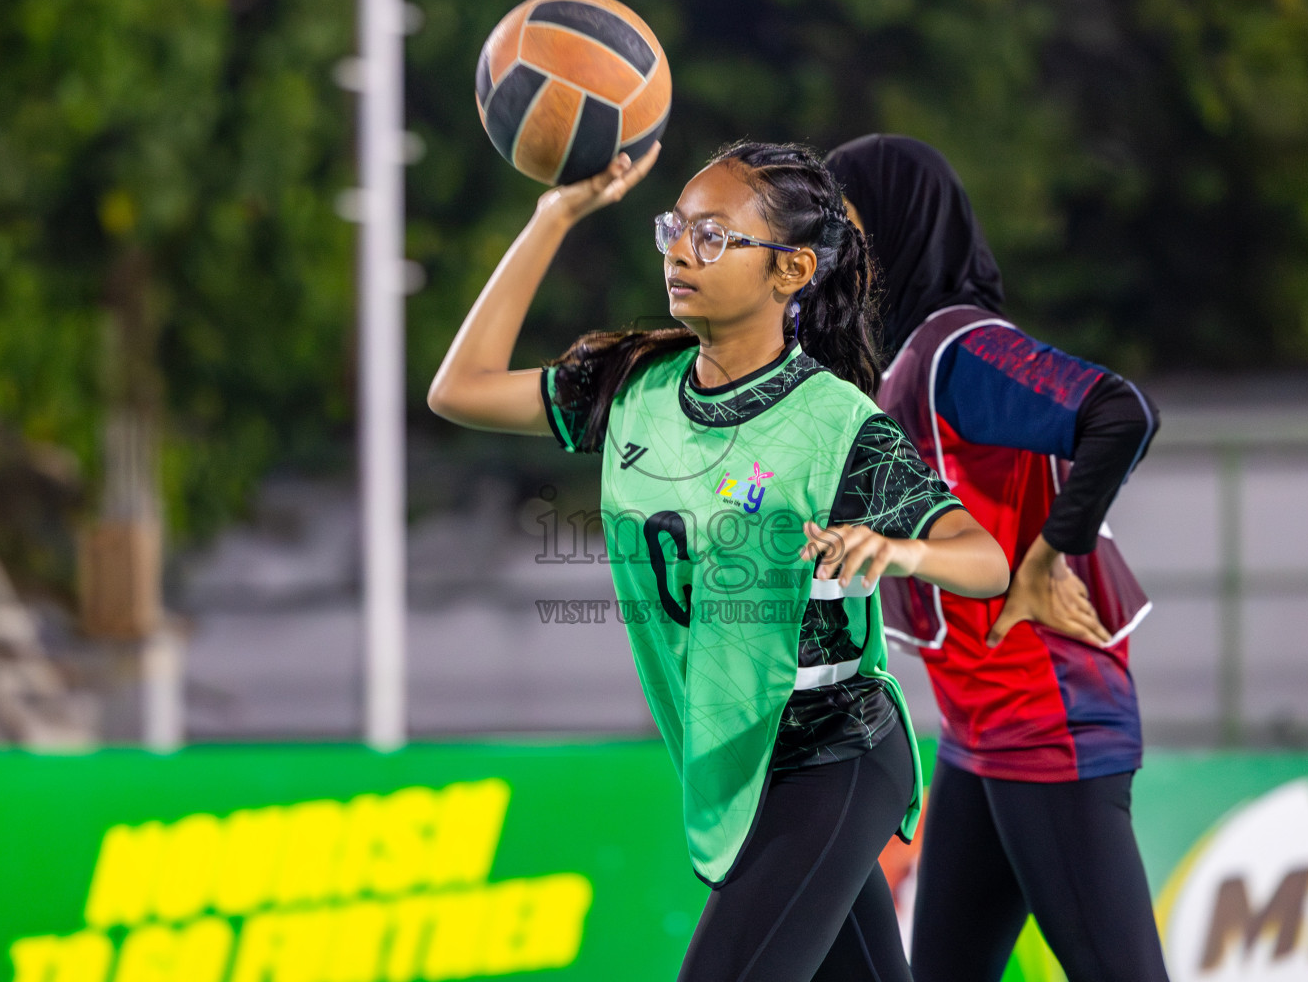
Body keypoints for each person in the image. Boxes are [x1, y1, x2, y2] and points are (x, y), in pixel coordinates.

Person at [429, 139, 1010, 982]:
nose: (678, 250)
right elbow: (459, 388)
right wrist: (555, 213)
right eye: (675, 228)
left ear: (791, 270)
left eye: (712, 236)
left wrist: (900, 548)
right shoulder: (633, 383)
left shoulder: (834, 419)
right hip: (742, 764)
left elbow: (985, 559)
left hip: (836, 750)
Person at [825, 134, 1170, 982]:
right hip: (981, 732)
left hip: (1046, 726)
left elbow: (1122, 412)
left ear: (900, 228)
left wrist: (1053, 553)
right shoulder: (906, 359)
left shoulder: (958, 350)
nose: (827, 250)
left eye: (843, 225)